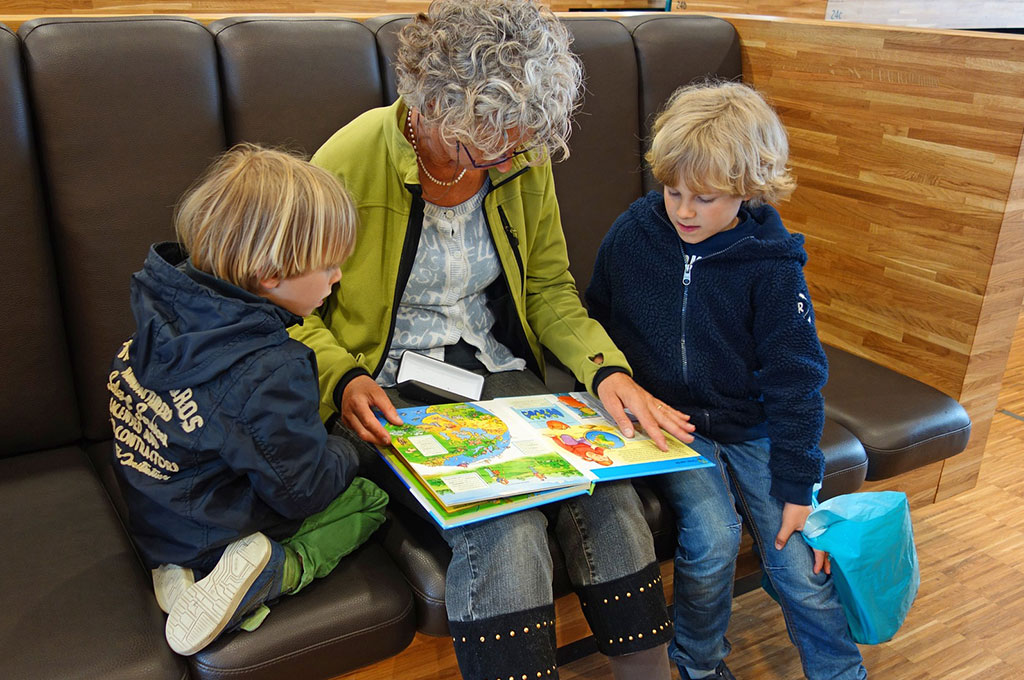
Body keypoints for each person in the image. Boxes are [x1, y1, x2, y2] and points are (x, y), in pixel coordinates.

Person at [290, 2, 695, 678]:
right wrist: (342, 377)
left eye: (515, 141)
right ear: (430, 103)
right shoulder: (349, 161)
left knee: (607, 497)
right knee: (503, 522)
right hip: (387, 382)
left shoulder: (518, 153)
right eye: (478, 142)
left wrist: (606, 372)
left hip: (491, 369)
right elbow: (291, 307)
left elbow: (550, 289)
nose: (500, 158)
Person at [586, 81, 868, 680]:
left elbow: (797, 379)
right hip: (673, 426)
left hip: (755, 427)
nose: (684, 211)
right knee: (712, 539)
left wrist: (800, 485)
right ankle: (699, 666)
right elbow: (595, 323)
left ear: (748, 189)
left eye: (707, 198)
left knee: (800, 565)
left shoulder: (771, 262)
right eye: (673, 191)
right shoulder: (635, 233)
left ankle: (842, 672)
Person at [108, 144, 388, 656]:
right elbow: (304, 491)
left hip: (156, 515)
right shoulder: (269, 371)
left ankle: (180, 570)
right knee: (369, 502)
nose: (337, 277)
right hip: (213, 522)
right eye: (328, 266)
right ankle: (273, 571)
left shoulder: (164, 306)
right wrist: (354, 450)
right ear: (271, 274)